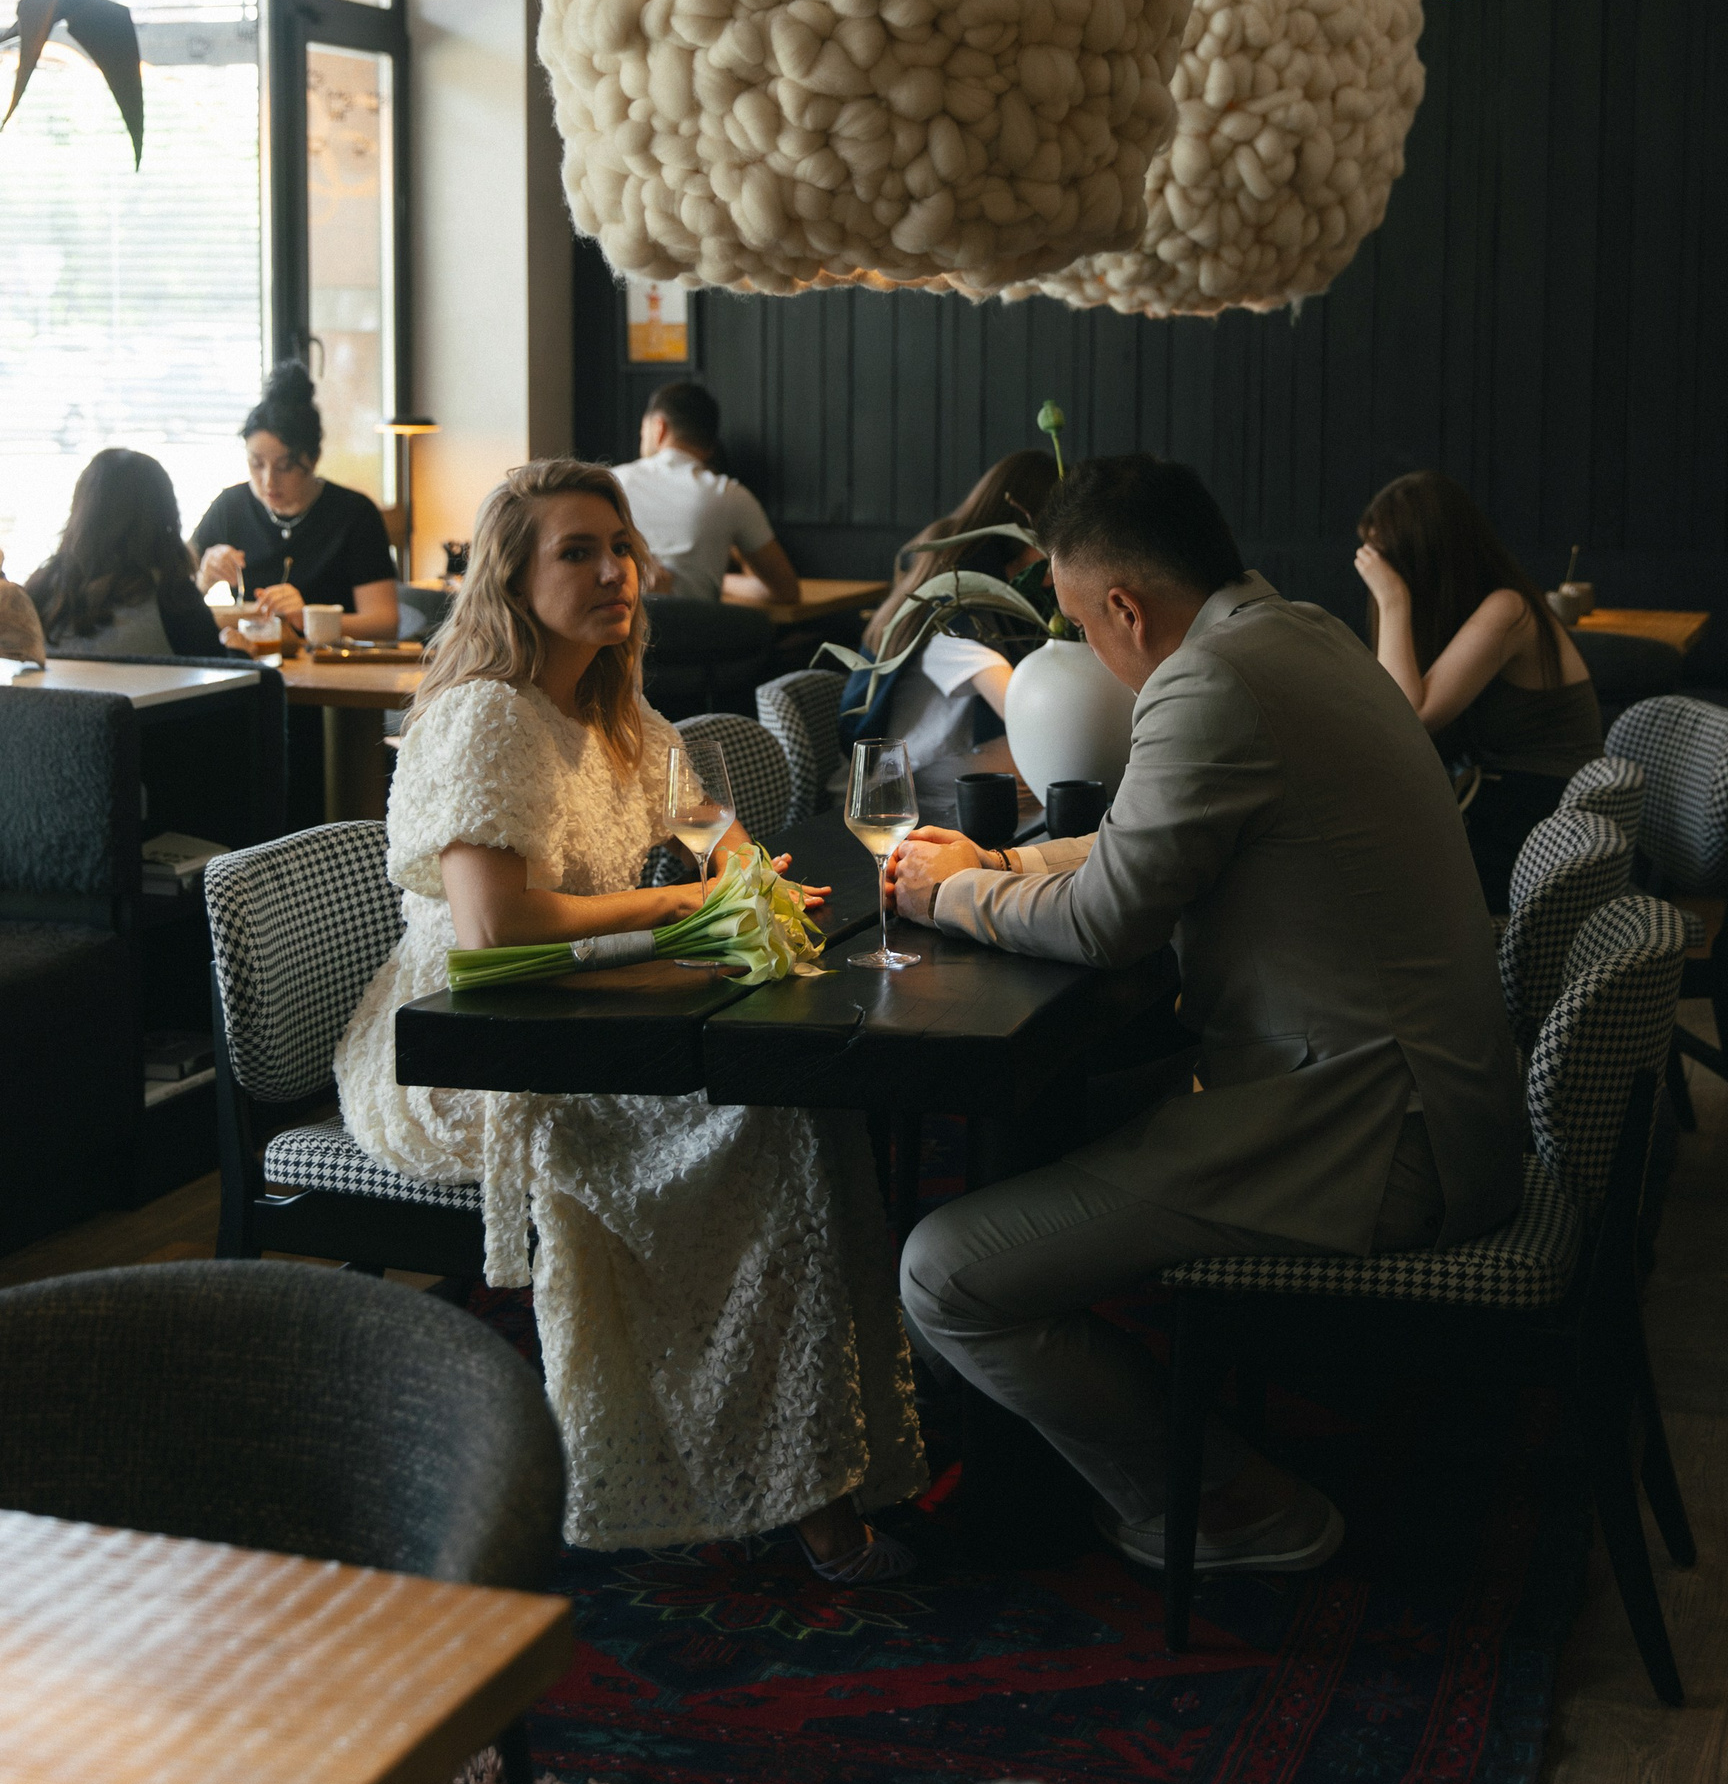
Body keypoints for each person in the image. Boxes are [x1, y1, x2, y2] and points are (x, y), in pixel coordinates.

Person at [889, 456, 1523, 1584]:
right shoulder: (1300, 635)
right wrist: (999, 863)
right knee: (1050, 1139)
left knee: (946, 1271)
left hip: (1373, 1136)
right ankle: (1017, 1417)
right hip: (1433, 1100)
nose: (1091, 650)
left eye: (1081, 625)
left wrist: (950, 896)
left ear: (1125, 609)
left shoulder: (1209, 682)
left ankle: (1232, 1503)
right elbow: (1145, 838)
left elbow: (1109, 921)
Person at [332, 456, 924, 1573]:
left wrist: (748, 878)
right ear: (513, 579)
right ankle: (791, 1491)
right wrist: (684, 905)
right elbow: (493, 932)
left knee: (808, 1106)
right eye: (579, 553)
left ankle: (834, 1444)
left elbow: (709, 824)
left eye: (621, 550)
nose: (616, 573)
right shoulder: (486, 717)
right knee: (755, 1125)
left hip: (590, 1013)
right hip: (465, 1050)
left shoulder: (615, 707)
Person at [1355, 470, 1603, 914]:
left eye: (1385, 560)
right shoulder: (1471, 612)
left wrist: (1392, 600)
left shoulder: (1509, 609)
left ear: (1425, 555)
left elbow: (1409, 716)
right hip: (1513, 805)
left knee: (1369, 872)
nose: (1379, 571)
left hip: (1548, 827)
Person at [839, 450, 1059, 816]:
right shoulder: (956, 617)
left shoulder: (972, 591)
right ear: (1024, 532)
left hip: (955, 791)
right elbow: (1031, 721)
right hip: (904, 806)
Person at [192, 361, 399, 640]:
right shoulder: (230, 507)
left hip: (328, 661)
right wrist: (203, 580)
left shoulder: (354, 514)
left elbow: (385, 623)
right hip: (252, 656)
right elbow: (169, 606)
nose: (268, 481)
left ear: (313, 459)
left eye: (285, 466)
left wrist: (307, 617)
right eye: (256, 464)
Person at [610, 381, 799, 608]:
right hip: (698, 629)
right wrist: (719, 581)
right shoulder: (730, 495)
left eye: (643, 431)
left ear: (659, 428)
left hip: (619, 625)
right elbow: (786, 591)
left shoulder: (611, 482)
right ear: (710, 448)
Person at [27, 450, 224, 658]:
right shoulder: (174, 600)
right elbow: (220, 669)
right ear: (164, 518)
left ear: (81, 513)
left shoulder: (39, 592)